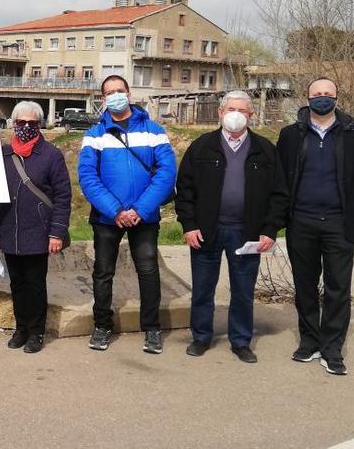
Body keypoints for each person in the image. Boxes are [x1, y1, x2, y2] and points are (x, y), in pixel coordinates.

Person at [175, 90, 288, 363]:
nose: (235, 115)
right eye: (230, 109)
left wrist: (269, 230)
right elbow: (185, 190)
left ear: (251, 115)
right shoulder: (202, 146)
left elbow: (280, 194)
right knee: (203, 288)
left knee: (242, 290)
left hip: (246, 233)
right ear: (220, 113)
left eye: (242, 110)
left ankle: (240, 341)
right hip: (206, 231)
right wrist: (189, 225)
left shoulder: (265, 149)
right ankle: (201, 337)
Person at [78, 75, 177, 354]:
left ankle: (152, 328)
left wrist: (140, 210)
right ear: (102, 99)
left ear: (129, 93)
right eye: (109, 93)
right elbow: (87, 177)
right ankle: (102, 326)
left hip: (144, 216)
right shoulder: (94, 135)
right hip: (108, 216)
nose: (115, 96)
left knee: (148, 271)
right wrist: (116, 210)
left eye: (120, 91)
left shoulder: (154, 130)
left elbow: (167, 174)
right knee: (103, 273)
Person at [277, 77, 354, 376]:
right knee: (305, 287)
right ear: (307, 98)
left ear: (337, 98)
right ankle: (309, 341)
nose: (322, 97)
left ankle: (332, 348)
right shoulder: (290, 135)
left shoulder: (349, 133)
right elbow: (281, 180)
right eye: (316, 94)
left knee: (338, 288)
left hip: (339, 223)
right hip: (302, 222)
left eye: (328, 94)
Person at [0, 101, 72, 353]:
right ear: (13, 123)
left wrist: (57, 232)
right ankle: (20, 328)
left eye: (32, 123)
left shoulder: (52, 155)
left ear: (39, 125)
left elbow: (63, 197)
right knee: (17, 284)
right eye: (21, 122)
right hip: (9, 230)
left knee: (35, 284)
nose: (26, 127)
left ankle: (36, 331)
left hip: (38, 232)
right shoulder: (3, 154)